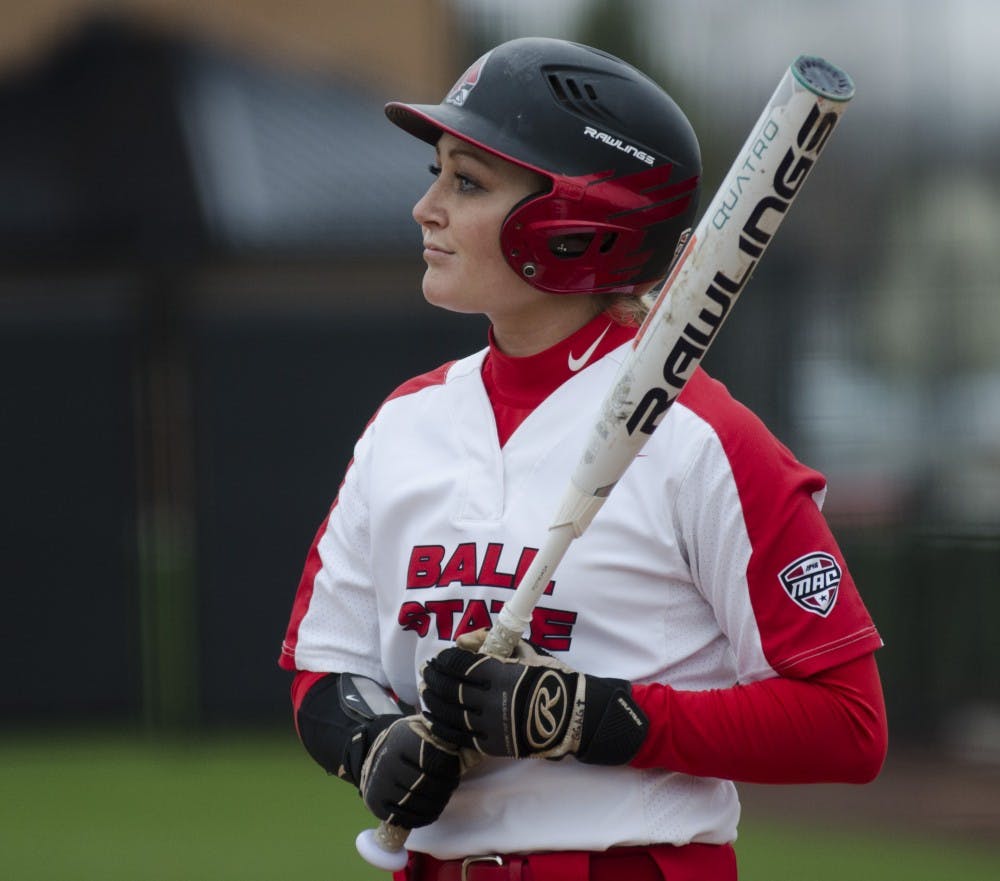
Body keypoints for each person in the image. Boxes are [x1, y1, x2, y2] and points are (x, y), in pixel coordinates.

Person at [278, 37, 888, 881]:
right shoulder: (403, 425)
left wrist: (598, 716)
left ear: (572, 225)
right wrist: (377, 746)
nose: (427, 209)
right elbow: (326, 664)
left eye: (467, 181)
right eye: (437, 176)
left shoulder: (701, 438)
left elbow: (847, 723)